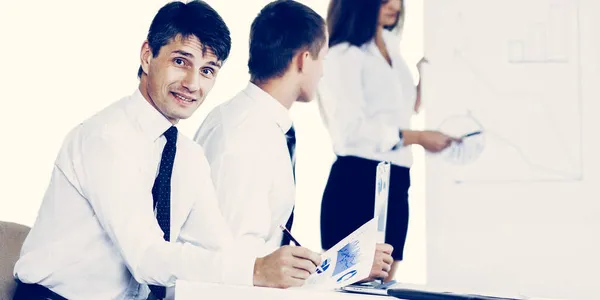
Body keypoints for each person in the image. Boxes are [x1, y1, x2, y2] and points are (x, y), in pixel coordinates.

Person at [12, 1, 320, 299]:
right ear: (147, 56)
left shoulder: (187, 155)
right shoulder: (107, 138)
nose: (192, 83)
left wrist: (306, 268)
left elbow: (219, 247)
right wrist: (253, 270)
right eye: (180, 61)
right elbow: (146, 257)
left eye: (208, 70)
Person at [194, 0, 394, 285]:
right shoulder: (245, 136)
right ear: (303, 59)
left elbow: (264, 259)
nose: (323, 71)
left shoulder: (261, 125)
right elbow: (240, 266)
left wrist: (348, 264)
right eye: (322, 59)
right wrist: (345, 267)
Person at [318, 0, 459, 282]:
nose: (394, 5)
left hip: (397, 179)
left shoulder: (391, 45)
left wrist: (424, 75)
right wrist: (418, 137)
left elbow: (399, 110)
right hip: (358, 179)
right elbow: (350, 131)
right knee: (353, 287)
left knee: (384, 285)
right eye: (383, 0)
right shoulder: (342, 55)